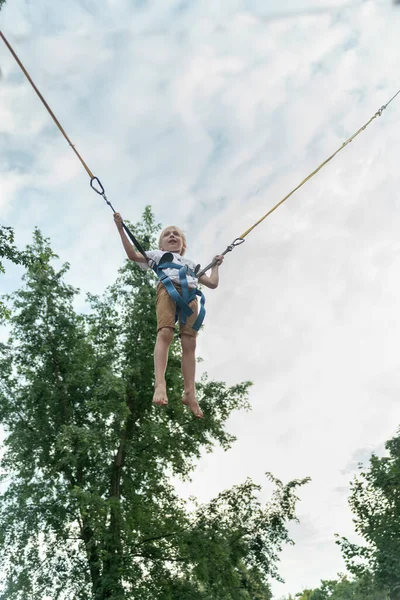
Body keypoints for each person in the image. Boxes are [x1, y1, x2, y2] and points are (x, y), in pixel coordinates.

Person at [114, 213, 224, 418]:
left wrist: (216, 265)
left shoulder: (191, 264)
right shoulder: (157, 255)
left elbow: (212, 283)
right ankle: (160, 383)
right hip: (168, 288)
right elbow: (133, 255)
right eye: (167, 234)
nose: (172, 235)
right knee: (165, 333)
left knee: (189, 343)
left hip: (190, 296)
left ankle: (190, 392)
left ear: (182, 244)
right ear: (162, 245)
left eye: (176, 234)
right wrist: (121, 229)